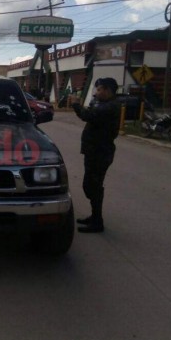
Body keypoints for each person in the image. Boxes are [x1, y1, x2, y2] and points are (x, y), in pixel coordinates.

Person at [70, 77, 120, 233]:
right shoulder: (103, 104)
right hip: (94, 151)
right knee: (91, 186)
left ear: (107, 90)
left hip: (100, 152)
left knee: (93, 186)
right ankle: (95, 216)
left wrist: (76, 104)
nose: (96, 93)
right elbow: (92, 111)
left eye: (99, 90)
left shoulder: (110, 106)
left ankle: (97, 222)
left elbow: (88, 116)